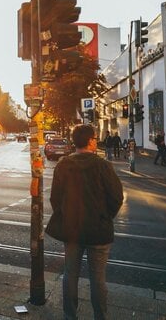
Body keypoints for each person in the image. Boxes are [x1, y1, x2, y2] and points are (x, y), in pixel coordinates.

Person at [46, 124, 123, 320]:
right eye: (95, 138)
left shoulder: (63, 165)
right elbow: (116, 197)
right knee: (98, 279)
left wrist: (67, 217)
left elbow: (55, 198)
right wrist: (105, 217)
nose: (96, 140)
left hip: (72, 230)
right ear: (89, 141)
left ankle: (70, 315)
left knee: (70, 274)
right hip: (98, 231)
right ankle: (100, 316)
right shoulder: (102, 165)